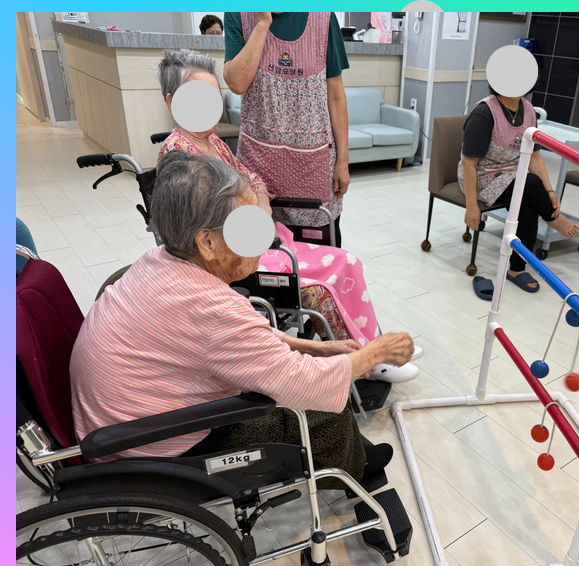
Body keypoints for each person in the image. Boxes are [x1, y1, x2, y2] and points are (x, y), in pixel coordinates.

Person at [70, 151, 415, 487]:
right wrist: (376, 352)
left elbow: (239, 342)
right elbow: (306, 385)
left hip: (113, 428)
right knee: (321, 414)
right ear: (207, 242)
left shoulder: (158, 260)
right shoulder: (215, 310)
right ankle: (353, 468)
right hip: (149, 451)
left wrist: (315, 348)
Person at [157, 49, 420, 383]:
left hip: (258, 240)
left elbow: (253, 180)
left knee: (348, 262)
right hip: (234, 258)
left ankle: (372, 345)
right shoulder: (179, 157)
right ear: (173, 103)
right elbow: (209, 228)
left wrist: (259, 199)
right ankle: (365, 365)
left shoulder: (214, 144)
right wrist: (251, 207)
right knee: (322, 286)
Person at [223, 12, 350, 248]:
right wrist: (262, 24)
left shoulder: (323, 17)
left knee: (320, 253)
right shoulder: (237, 14)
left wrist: (343, 161)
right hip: (258, 168)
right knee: (260, 254)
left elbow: (336, 95)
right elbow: (237, 83)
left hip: (313, 167)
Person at [459, 86, 579, 296]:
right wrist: (471, 207)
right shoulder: (484, 112)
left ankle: (516, 269)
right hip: (481, 178)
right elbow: (469, 163)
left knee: (529, 204)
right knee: (530, 184)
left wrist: (550, 192)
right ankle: (552, 219)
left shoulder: (529, 110)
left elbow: (534, 156)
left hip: (514, 176)